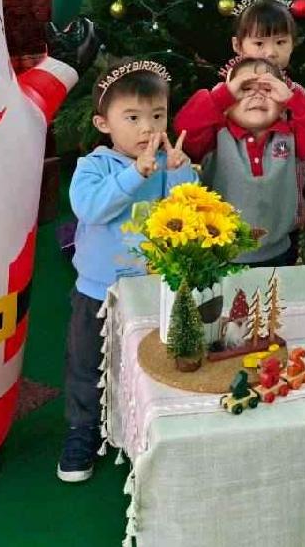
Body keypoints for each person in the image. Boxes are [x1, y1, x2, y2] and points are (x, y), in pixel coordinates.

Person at [59, 59, 195, 483]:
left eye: (157, 116)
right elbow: (91, 208)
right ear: (103, 123)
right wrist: (136, 174)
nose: (147, 128)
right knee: (87, 364)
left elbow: (188, 217)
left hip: (154, 288)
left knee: (148, 361)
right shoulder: (94, 166)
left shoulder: (169, 162)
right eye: (132, 118)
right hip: (99, 291)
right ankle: (82, 430)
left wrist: (180, 175)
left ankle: (148, 428)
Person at [175, 56, 305, 267]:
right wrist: (222, 95)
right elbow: (184, 127)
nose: (257, 95)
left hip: (280, 251)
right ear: (226, 105)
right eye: (245, 88)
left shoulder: (292, 136)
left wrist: (293, 98)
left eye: (268, 89)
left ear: (282, 106)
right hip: (218, 252)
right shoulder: (215, 136)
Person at [229, 0, 305, 258]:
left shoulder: (297, 97)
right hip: (228, 223)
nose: (271, 52)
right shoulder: (225, 96)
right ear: (238, 45)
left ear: (293, 43)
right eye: (259, 43)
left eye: (281, 42)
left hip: (284, 221)